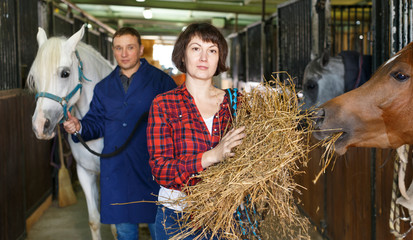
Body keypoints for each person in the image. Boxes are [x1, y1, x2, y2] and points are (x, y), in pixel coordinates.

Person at [63, 27, 177, 239]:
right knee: (124, 232)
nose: (124, 54)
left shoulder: (161, 82)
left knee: (160, 230)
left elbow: (178, 123)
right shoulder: (104, 87)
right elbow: (95, 123)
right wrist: (79, 126)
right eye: (118, 48)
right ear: (113, 51)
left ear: (140, 50)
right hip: (117, 171)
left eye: (130, 47)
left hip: (152, 170)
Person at [147, 23, 245, 239]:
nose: (204, 58)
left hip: (224, 214)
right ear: (183, 56)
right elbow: (161, 170)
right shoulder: (163, 104)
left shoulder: (236, 103)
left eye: (212, 51)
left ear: (219, 59)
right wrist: (212, 156)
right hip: (177, 217)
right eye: (196, 49)